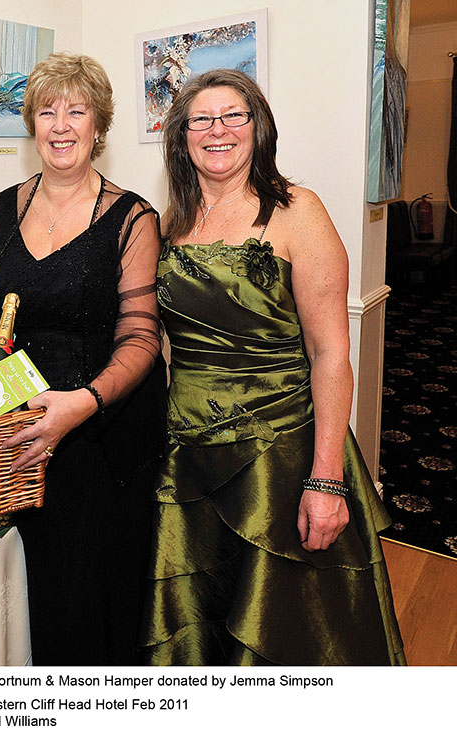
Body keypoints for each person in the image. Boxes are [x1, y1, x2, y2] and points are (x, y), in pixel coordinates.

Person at [141, 69, 405, 665]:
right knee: (202, 624)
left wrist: (326, 478)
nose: (218, 130)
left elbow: (332, 354)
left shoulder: (296, 211)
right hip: (188, 458)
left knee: (281, 630)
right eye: (201, 119)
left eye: (234, 115)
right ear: (181, 136)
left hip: (280, 459)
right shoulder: (169, 224)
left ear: (259, 128)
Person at [0, 52, 168, 665]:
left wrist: (81, 406)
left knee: (94, 598)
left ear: (99, 125)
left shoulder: (132, 216)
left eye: (76, 110)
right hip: (25, 431)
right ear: (31, 125)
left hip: (104, 432)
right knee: (34, 590)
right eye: (46, 111)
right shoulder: (3, 207)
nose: (60, 125)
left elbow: (142, 337)